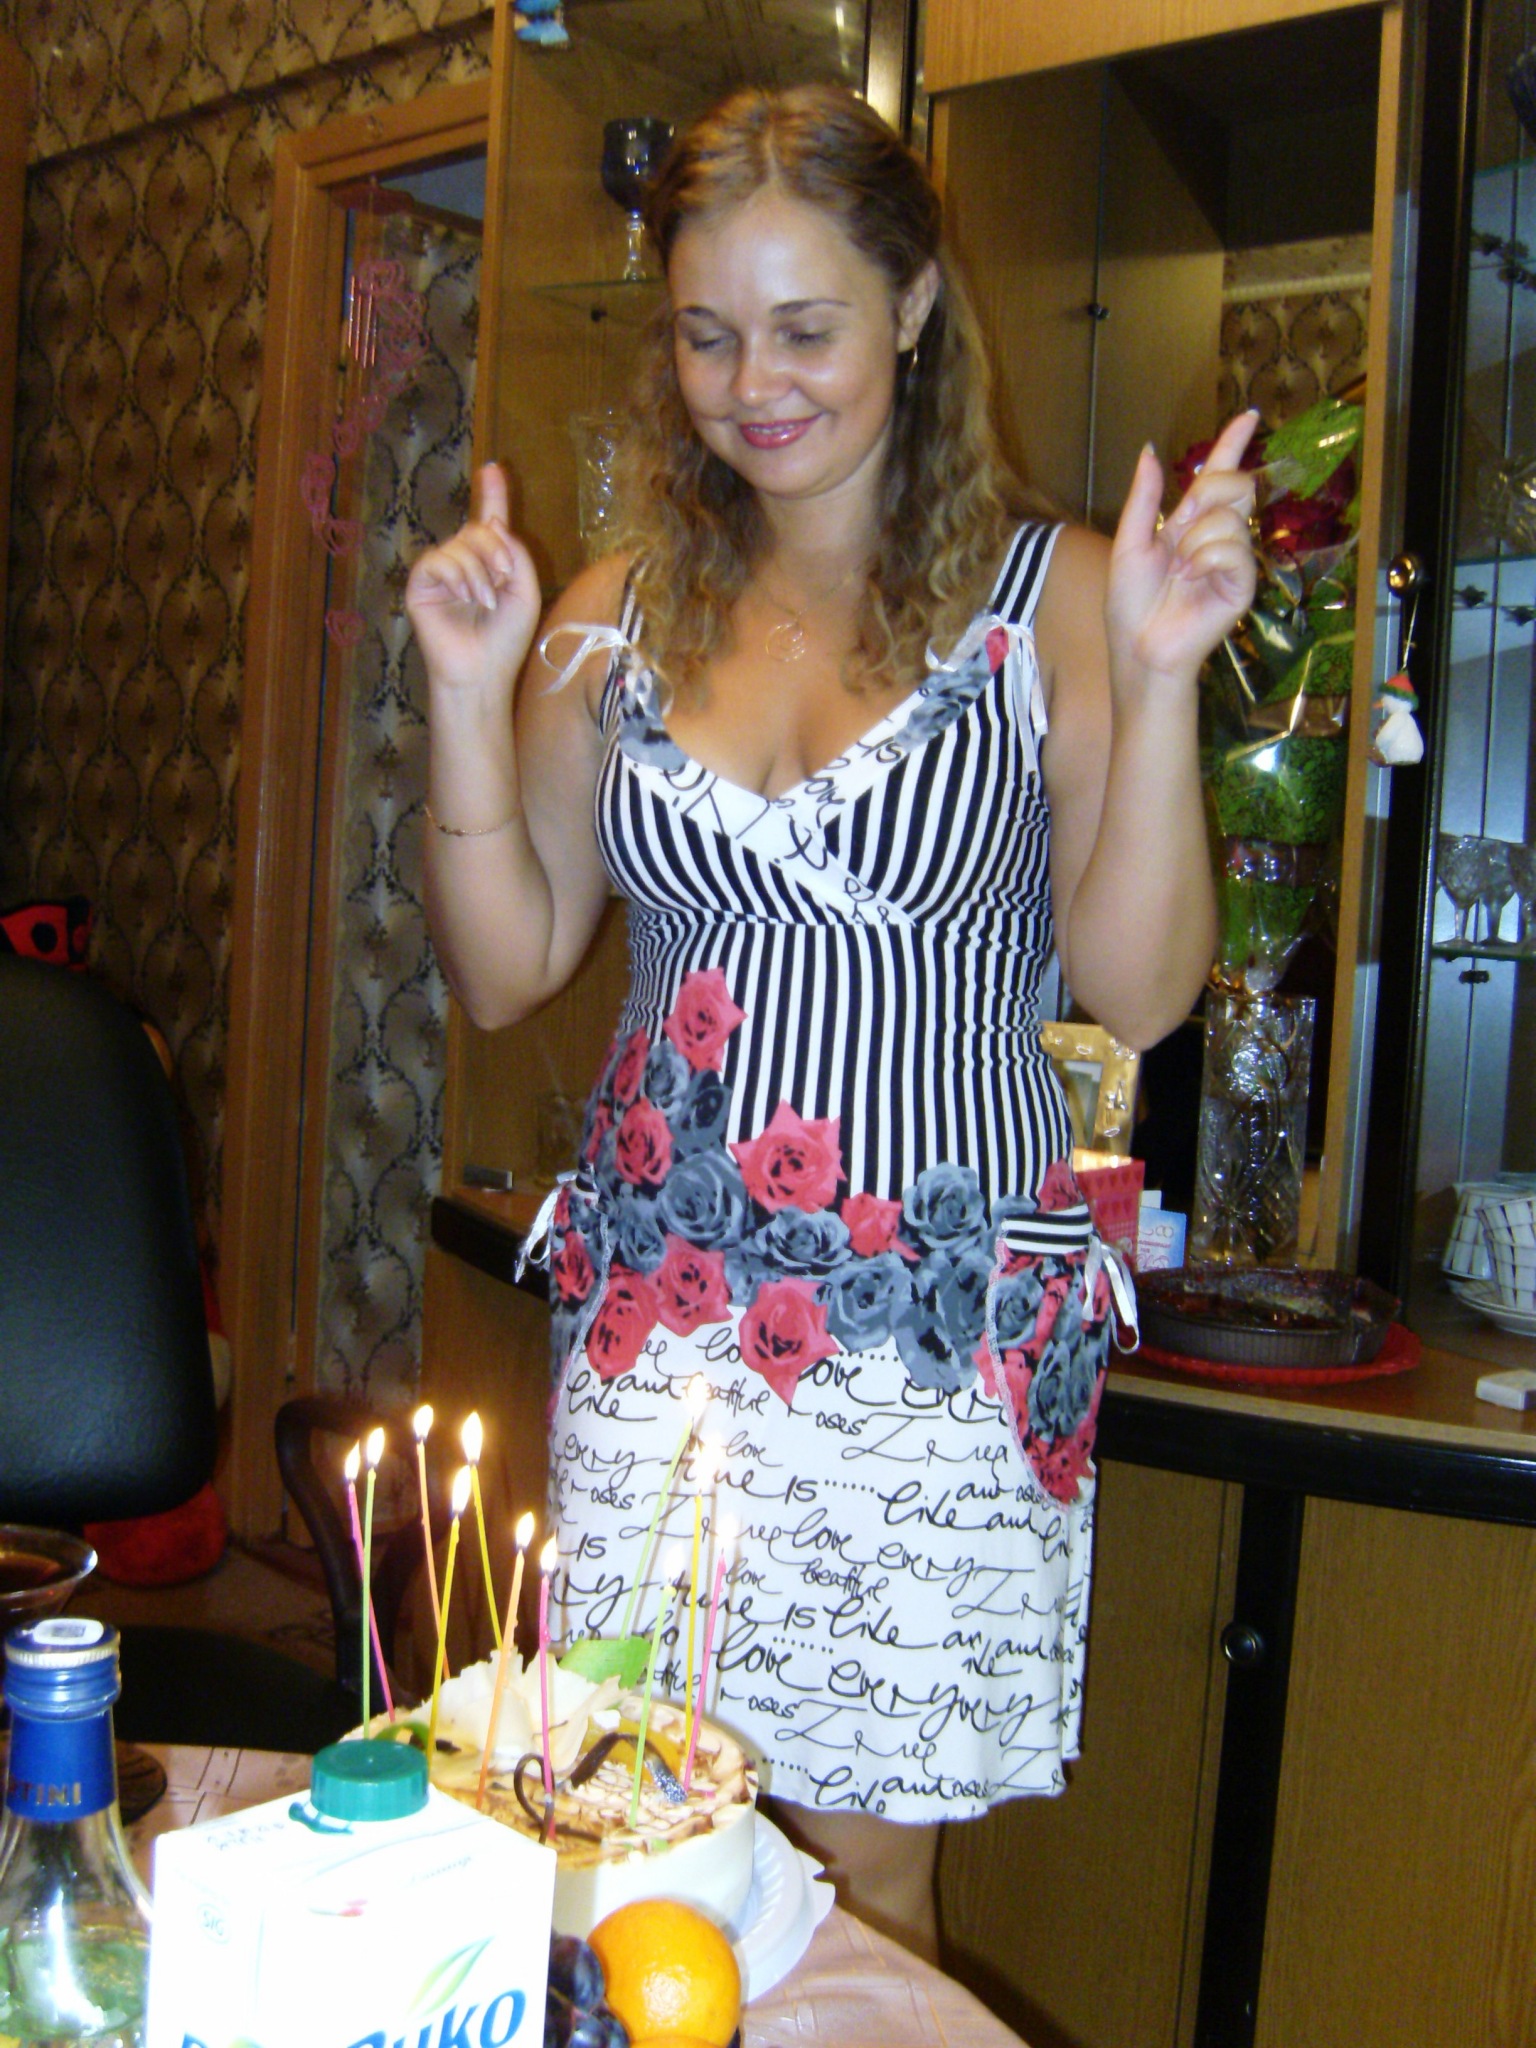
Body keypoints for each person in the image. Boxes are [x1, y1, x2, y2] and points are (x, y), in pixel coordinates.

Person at [405, 82, 1257, 1958]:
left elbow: (1138, 991)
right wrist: (467, 700)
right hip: (657, 1321)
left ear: (916, 305)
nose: (753, 384)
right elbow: (509, 960)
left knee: (861, 1890)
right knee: (627, 1844)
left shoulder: (1066, 602)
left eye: (806, 328)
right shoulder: (613, 615)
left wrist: (1165, 678)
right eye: (707, 333)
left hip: (925, 1341)